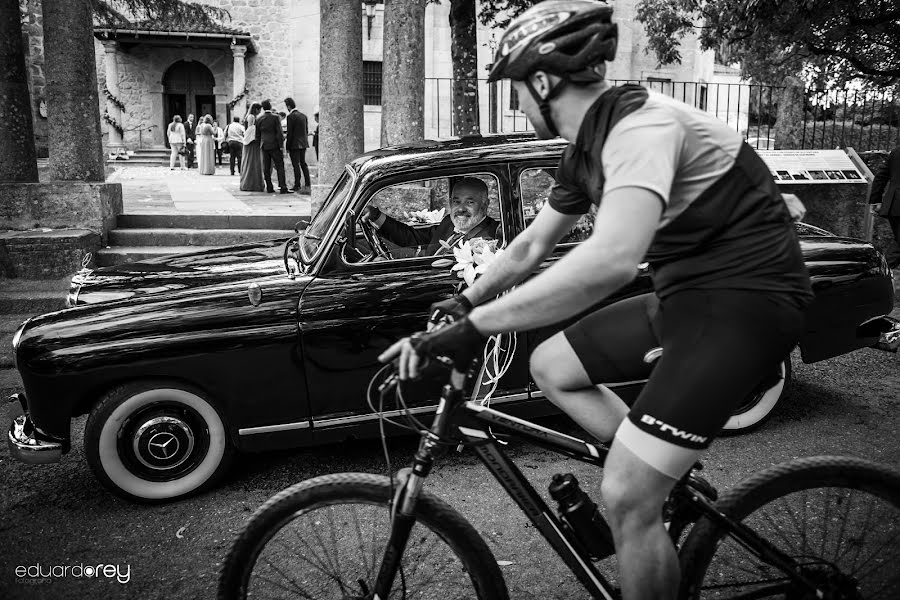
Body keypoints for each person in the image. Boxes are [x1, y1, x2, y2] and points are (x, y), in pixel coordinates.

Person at [379, 3, 813, 599]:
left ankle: (643, 496)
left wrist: (477, 326)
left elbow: (608, 262)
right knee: (551, 365)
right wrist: (464, 302)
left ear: (541, 81)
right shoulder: (585, 147)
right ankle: (669, 486)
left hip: (744, 308)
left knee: (626, 497)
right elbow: (532, 243)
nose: (516, 103)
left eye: (514, 87)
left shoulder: (640, 129)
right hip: (686, 298)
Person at [362, 177, 500, 256]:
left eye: (470, 202)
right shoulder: (449, 222)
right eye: (456, 202)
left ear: (485, 204)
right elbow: (415, 238)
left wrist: (389, 259)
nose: (461, 209)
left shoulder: (487, 240)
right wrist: (375, 215)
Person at [869, 146, 900, 268]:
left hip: (893, 204)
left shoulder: (896, 152)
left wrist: (876, 200)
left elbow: (881, 176)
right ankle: (879, 271)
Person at [256, 99, 291, 194]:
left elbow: (257, 134)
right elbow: (279, 132)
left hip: (264, 145)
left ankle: (269, 187)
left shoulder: (259, 118)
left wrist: (259, 144)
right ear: (270, 107)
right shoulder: (275, 117)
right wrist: (281, 145)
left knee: (266, 167)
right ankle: (283, 187)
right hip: (274, 144)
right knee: (279, 166)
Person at [284, 97, 311, 193]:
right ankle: (308, 183)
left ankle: (297, 185)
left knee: (296, 165)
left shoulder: (290, 117)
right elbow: (306, 130)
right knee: (303, 164)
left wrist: (287, 146)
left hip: (294, 144)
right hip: (303, 143)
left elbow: (290, 133)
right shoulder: (303, 116)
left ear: (288, 106)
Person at [240, 103, 265, 192]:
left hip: (250, 141)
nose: (260, 112)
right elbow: (251, 130)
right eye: (259, 109)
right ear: (256, 109)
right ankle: (251, 183)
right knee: (252, 161)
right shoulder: (251, 117)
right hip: (251, 142)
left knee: (252, 161)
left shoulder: (250, 116)